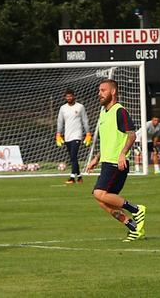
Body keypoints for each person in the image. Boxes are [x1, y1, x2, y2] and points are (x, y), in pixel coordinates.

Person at [83, 79, 147, 242]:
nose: (100, 93)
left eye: (103, 90)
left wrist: (122, 154)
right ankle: (133, 227)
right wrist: (96, 158)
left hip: (117, 163)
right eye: (99, 90)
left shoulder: (120, 111)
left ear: (113, 92)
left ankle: (136, 209)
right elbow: (108, 140)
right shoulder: (103, 113)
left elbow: (132, 135)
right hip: (106, 162)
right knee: (101, 199)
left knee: (99, 193)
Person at [56, 89, 90, 184]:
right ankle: (79, 177)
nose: (69, 98)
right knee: (72, 157)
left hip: (77, 135)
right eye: (67, 96)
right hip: (67, 136)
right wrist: (58, 134)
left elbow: (85, 120)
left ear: (74, 96)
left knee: (74, 155)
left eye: (70, 96)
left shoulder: (80, 107)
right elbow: (60, 121)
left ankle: (72, 177)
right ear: (65, 97)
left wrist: (88, 133)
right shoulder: (63, 108)